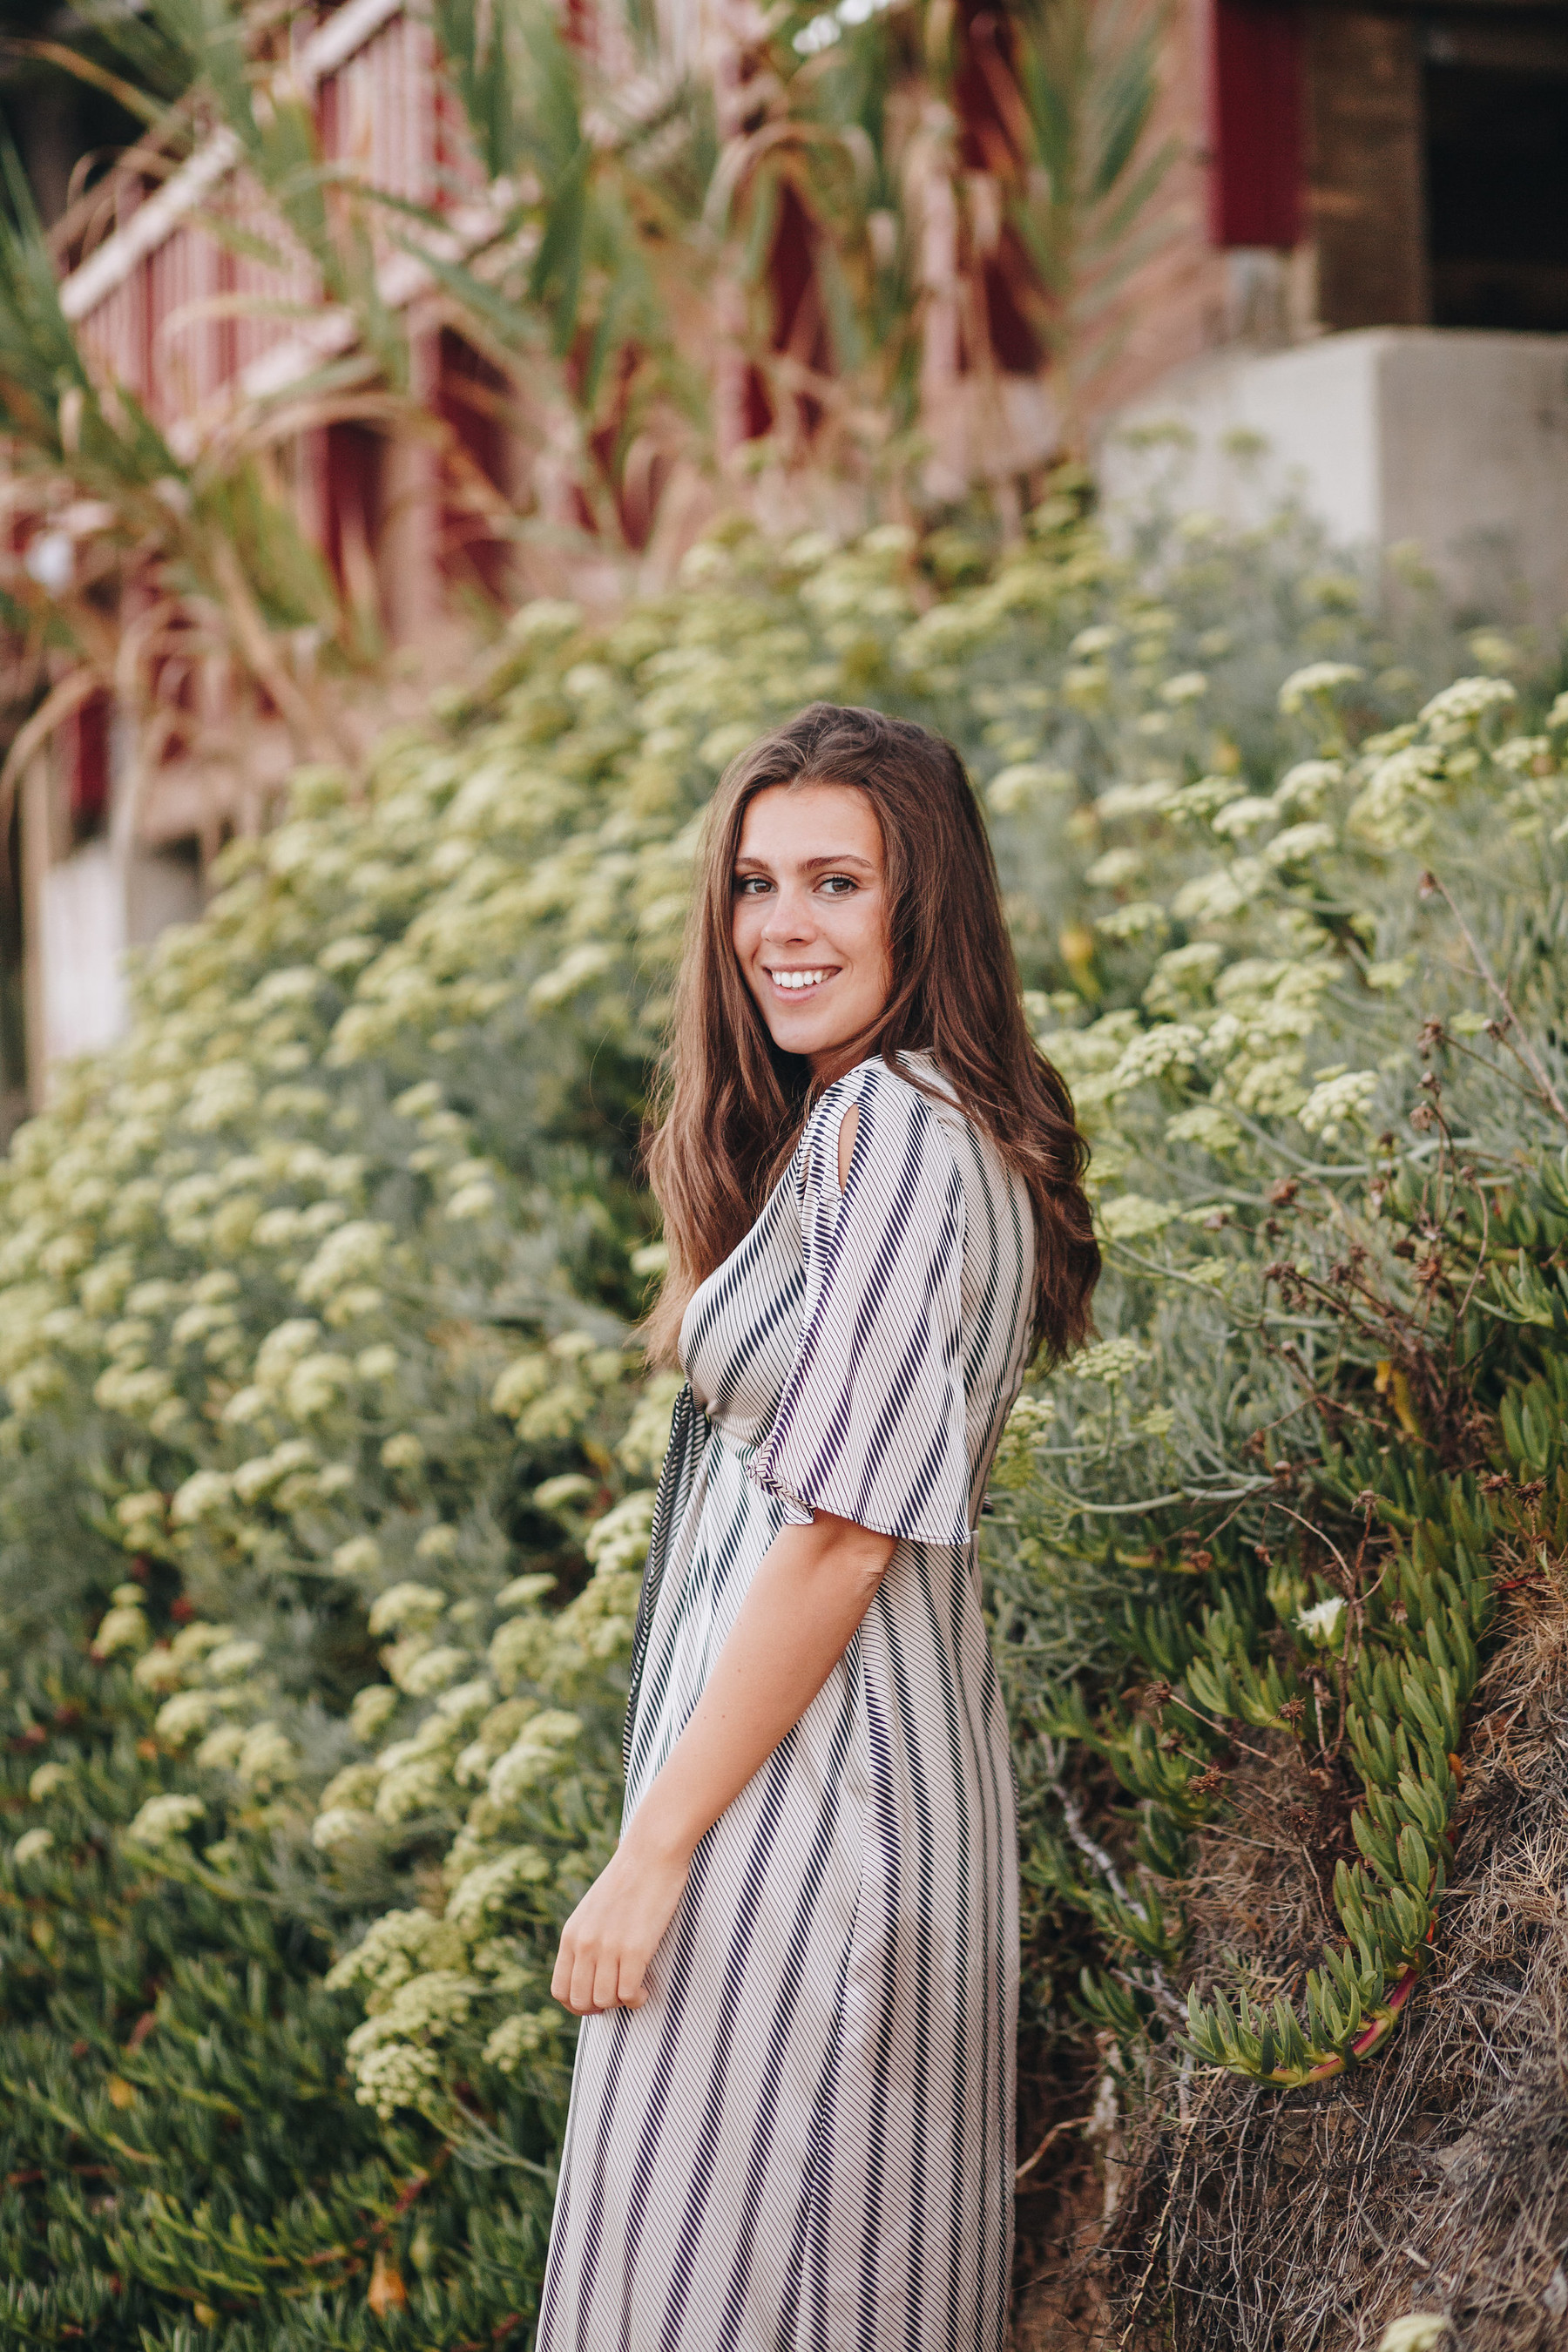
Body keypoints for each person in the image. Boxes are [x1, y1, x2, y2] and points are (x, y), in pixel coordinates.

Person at [536, 702, 1098, 2351]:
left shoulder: (892, 1136)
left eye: (838, 884)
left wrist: (649, 1854)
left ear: (926, 909)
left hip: (800, 1828)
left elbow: (846, 1541)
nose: (783, 929)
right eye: (755, 884)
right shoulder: (930, 1130)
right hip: (854, 1799)